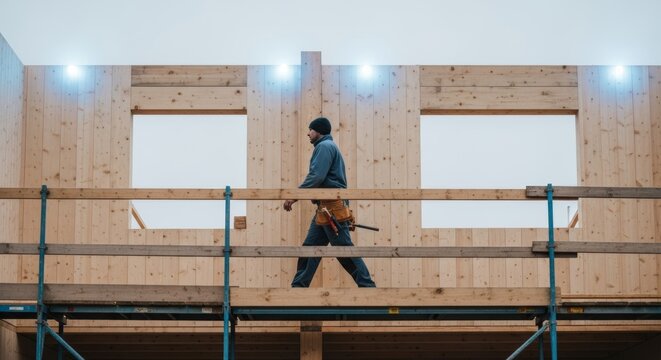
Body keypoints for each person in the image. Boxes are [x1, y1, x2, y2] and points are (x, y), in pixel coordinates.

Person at [284, 117, 376, 288]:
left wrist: (294, 196)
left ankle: (367, 286)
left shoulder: (324, 147)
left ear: (318, 131)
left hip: (331, 208)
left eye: (310, 130)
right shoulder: (328, 146)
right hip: (325, 208)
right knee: (310, 247)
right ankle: (298, 287)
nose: (308, 133)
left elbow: (316, 176)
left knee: (344, 248)